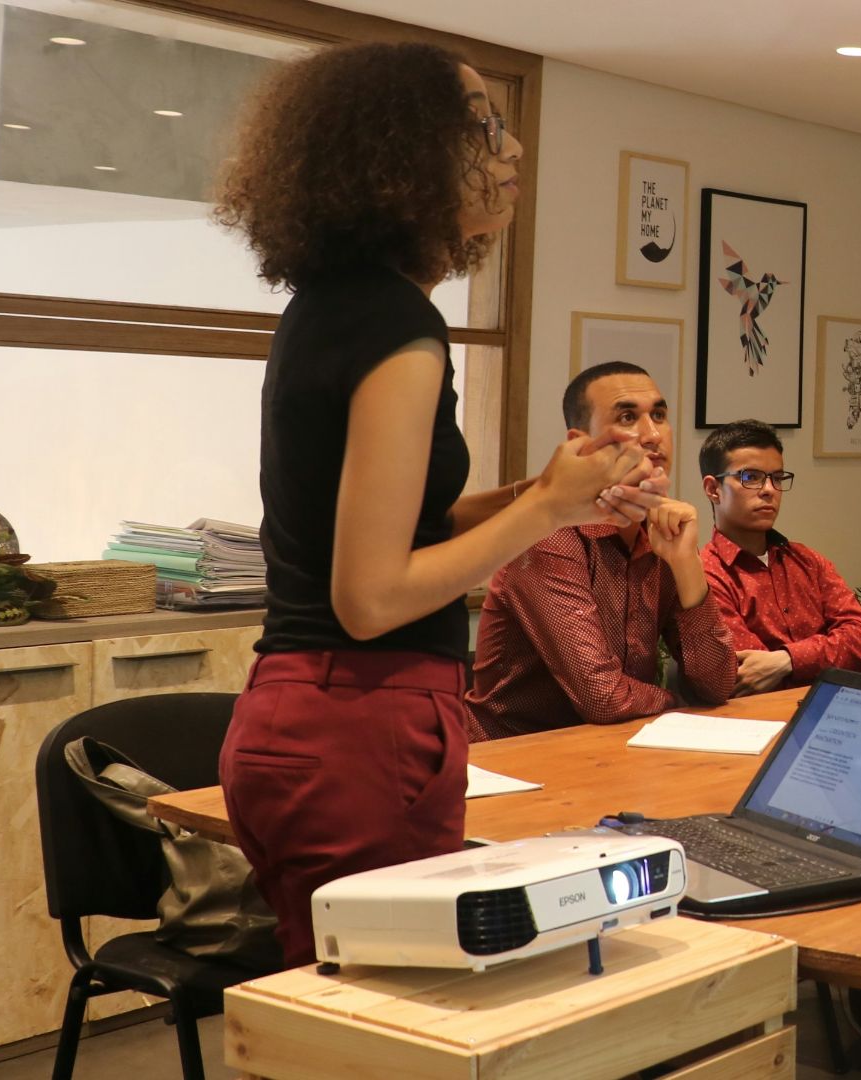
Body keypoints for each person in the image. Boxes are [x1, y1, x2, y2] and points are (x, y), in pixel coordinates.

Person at [213, 43, 662, 966]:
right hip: (359, 725)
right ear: (403, 152)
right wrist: (541, 517)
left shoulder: (336, 306)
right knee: (380, 1025)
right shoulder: (397, 325)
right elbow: (371, 596)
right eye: (483, 124)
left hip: (309, 714)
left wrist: (550, 492)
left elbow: (406, 529)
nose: (512, 149)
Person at [465, 362, 736, 738]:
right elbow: (603, 697)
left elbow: (718, 684)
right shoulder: (550, 534)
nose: (653, 434)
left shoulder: (662, 529)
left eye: (659, 415)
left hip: (614, 749)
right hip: (512, 755)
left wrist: (686, 563)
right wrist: (679, 706)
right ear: (581, 443)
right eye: (628, 417)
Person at [698, 420, 861, 693]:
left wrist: (786, 661)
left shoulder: (807, 561)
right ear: (713, 489)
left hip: (829, 711)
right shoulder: (706, 573)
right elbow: (749, 674)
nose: (769, 490)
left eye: (777, 477)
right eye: (751, 477)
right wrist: (826, 656)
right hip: (759, 722)